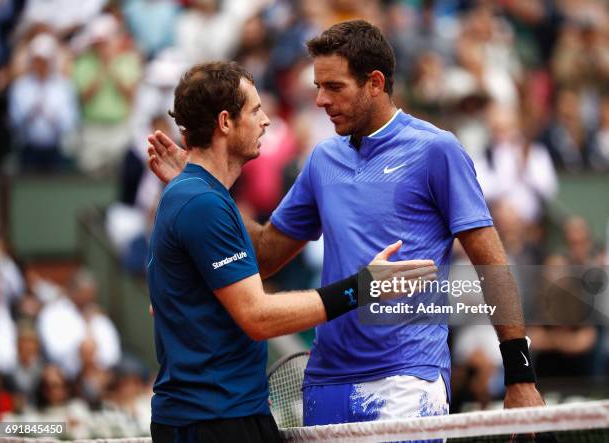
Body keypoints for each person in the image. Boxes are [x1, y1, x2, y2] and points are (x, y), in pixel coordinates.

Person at [148, 20, 544, 427]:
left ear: (374, 83)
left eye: (334, 87)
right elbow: (264, 255)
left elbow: (490, 261)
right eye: (318, 87)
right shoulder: (323, 160)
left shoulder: (437, 150)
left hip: (406, 379)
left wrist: (519, 372)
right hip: (325, 381)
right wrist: (201, 183)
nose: (320, 100)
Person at [147, 61, 436, 442]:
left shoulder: (199, 196)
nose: (266, 120)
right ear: (224, 122)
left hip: (219, 415)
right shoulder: (200, 202)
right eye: (254, 110)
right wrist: (363, 289)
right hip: (214, 420)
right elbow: (258, 316)